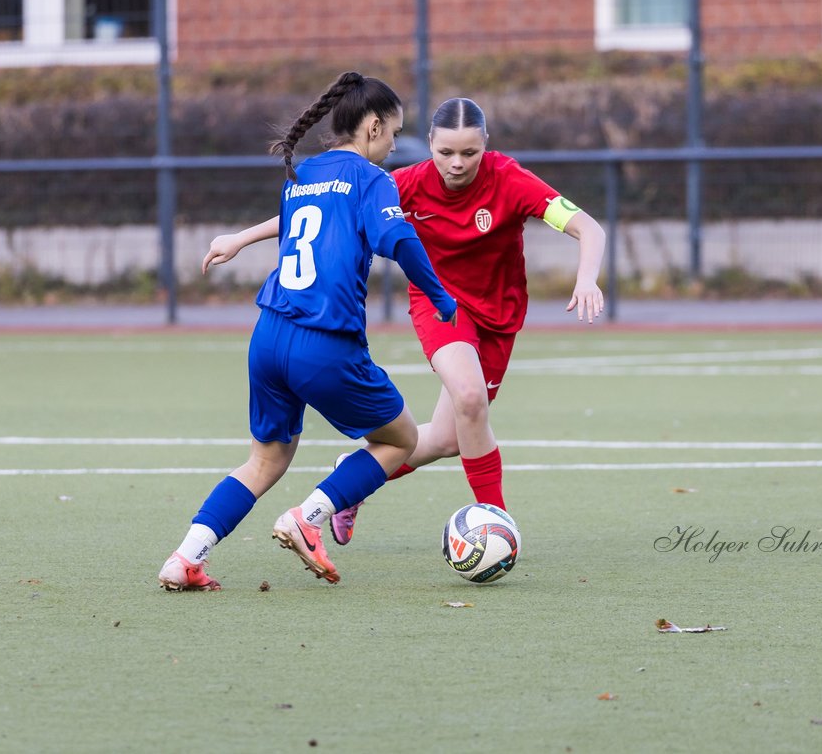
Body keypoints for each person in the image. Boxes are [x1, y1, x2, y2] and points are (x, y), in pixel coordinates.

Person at [201, 97, 605, 547]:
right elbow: (331, 209)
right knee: (470, 398)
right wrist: (241, 237)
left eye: (469, 153)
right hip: (442, 307)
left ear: (485, 146)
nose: (456, 163)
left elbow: (588, 227)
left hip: (499, 317)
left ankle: (350, 479)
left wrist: (586, 277)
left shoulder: (509, 179)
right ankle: (496, 527)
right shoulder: (407, 183)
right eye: (445, 152)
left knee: (450, 439)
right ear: (428, 143)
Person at [157, 72, 457, 591]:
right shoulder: (370, 179)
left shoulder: (306, 173)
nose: (391, 147)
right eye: (392, 134)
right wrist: (440, 297)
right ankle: (310, 516)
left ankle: (185, 558)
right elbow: (398, 240)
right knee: (401, 438)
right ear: (373, 126)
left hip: (269, 336)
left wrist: (241, 239)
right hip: (324, 343)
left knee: (266, 458)